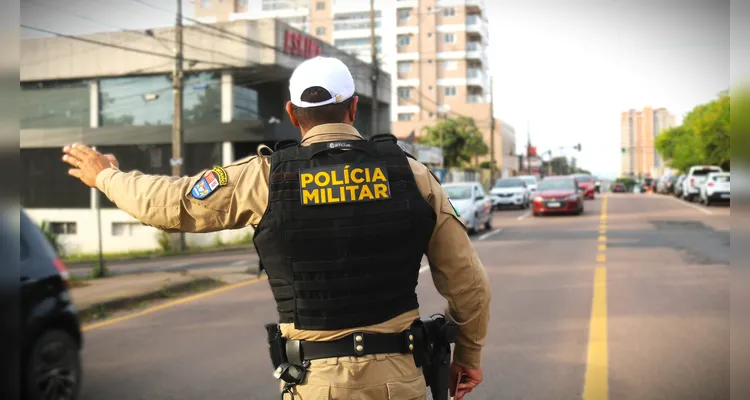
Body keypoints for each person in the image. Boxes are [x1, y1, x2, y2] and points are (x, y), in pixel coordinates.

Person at [61, 56, 491, 400]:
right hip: (401, 379)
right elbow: (468, 283)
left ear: (291, 112)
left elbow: (170, 204)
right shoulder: (413, 175)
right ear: (354, 107)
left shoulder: (264, 177)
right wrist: (467, 355)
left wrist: (106, 175)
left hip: (315, 384)